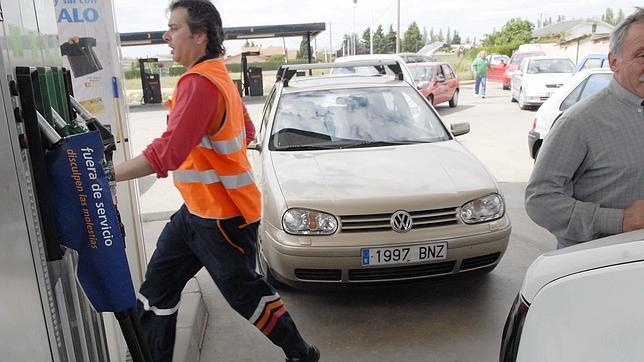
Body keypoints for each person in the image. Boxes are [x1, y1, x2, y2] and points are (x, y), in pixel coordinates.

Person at [114, 1, 319, 361]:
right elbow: (246, 130)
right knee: (157, 292)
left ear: (200, 35)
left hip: (221, 220)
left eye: (174, 28)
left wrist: (108, 175)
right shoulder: (217, 75)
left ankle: (301, 354)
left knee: (248, 296)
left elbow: (168, 152)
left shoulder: (199, 84)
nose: (167, 35)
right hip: (195, 213)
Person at [525, 7, 644, 249]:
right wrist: (620, 220)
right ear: (614, 61)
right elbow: (539, 200)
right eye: (642, 55)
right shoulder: (579, 122)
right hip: (594, 266)